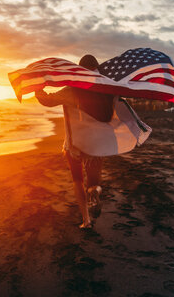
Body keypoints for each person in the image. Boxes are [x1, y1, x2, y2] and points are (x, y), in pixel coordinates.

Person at [34, 54, 116, 228]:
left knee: (77, 180)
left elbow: (47, 101)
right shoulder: (105, 90)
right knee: (94, 183)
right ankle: (95, 192)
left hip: (74, 145)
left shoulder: (71, 90)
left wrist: (37, 89)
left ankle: (86, 220)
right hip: (95, 145)